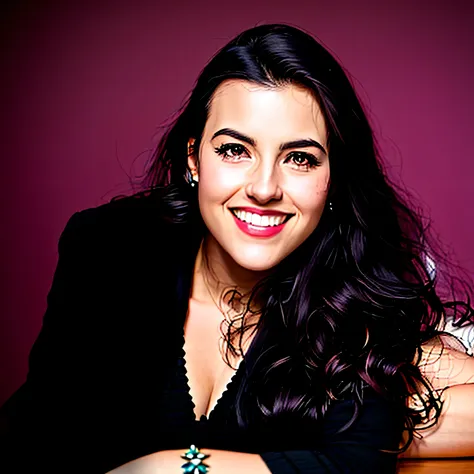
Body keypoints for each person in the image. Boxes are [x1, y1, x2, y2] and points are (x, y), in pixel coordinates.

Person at [1, 23, 473, 474]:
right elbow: (46, 431)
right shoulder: (111, 248)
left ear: (333, 181)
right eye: (234, 150)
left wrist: (169, 466)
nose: (264, 188)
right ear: (194, 157)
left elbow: (354, 464)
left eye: (300, 159)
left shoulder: (356, 296)